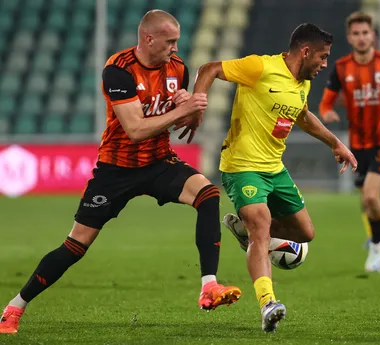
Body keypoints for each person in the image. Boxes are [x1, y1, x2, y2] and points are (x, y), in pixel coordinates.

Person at [0, 10, 241, 335]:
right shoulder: (119, 70)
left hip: (158, 163)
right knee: (75, 246)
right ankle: (15, 306)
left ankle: (208, 286)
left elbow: (179, 119)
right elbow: (136, 129)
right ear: (148, 38)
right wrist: (181, 110)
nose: (175, 47)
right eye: (170, 41)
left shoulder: (178, 68)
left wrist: (189, 110)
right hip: (117, 169)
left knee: (208, 195)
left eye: (177, 41)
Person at [176, 23, 357, 332]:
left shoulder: (302, 83)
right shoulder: (259, 66)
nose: (325, 64)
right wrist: (197, 106)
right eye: (323, 57)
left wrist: (335, 143)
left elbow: (302, 115)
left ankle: (246, 233)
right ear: (306, 51)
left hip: (275, 168)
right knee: (262, 228)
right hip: (242, 166)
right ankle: (268, 304)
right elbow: (209, 68)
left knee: (305, 233)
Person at [319, 12, 380, 272]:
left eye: (365, 33)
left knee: (372, 196)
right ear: (350, 37)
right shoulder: (341, 68)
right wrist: (327, 112)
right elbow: (326, 101)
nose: (361, 38)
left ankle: (378, 245)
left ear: (372, 35)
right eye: (356, 33)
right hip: (358, 143)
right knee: (366, 201)